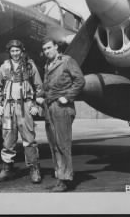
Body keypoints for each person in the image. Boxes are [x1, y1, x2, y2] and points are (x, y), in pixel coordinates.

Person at [0, 39, 43, 183]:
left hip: (25, 106)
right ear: (9, 52)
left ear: (22, 51)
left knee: (29, 139)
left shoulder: (29, 66)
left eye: (17, 51)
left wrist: (34, 105)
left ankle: (34, 168)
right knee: (8, 138)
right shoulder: (4, 67)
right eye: (12, 51)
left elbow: (39, 86)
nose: (15, 53)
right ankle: (7, 169)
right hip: (8, 107)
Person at [38, 38, 85, 192]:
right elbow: (47, 86)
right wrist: (40, 95)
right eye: (44, 49)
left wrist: (68, 97)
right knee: (54, 145)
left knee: (62, 144)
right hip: (50, 107)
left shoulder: (67, 61)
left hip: (62, 107)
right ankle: (60, 177)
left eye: (49, 48)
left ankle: (65, 179)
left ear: (56, 47)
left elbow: (80, 80)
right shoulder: (47, 65)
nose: (46, 51)